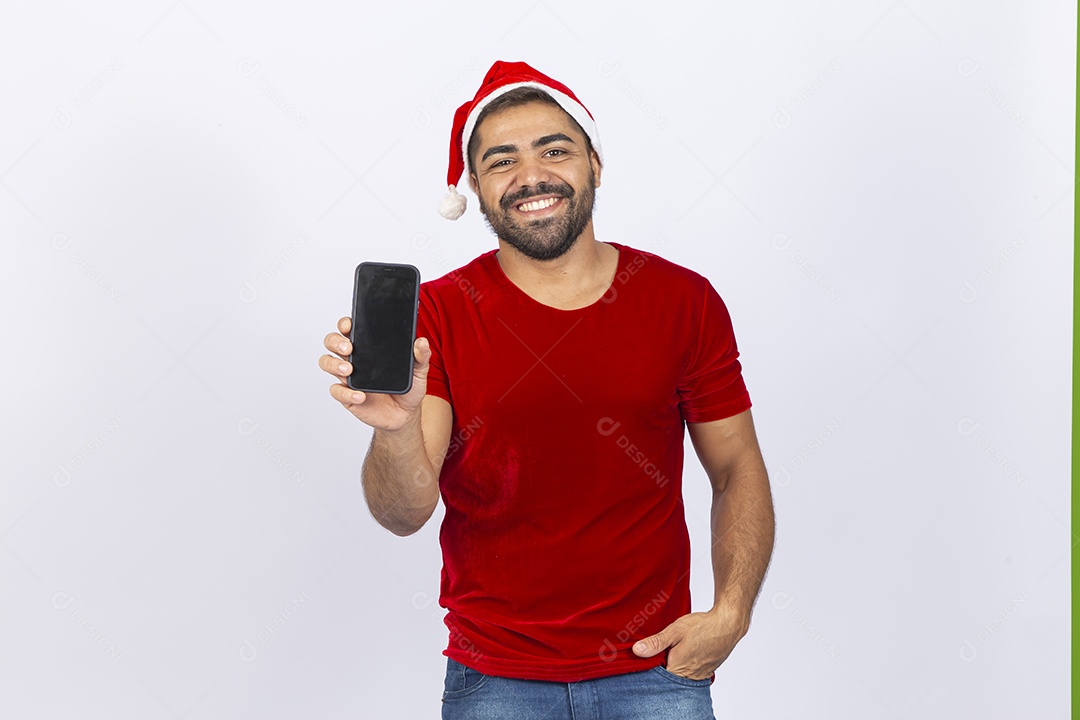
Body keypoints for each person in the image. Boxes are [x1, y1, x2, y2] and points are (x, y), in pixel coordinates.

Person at [319, 61, 775, 720]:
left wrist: (731, 614)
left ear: (594, 163)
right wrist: (394, 427)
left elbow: (736, 467)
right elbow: (403, 513)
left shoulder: (683, 301)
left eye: (553, 150)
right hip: (496, 680)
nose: (531, 175)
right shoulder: (442, 313)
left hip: (658, 669)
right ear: (474, 187)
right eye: (501, 161)